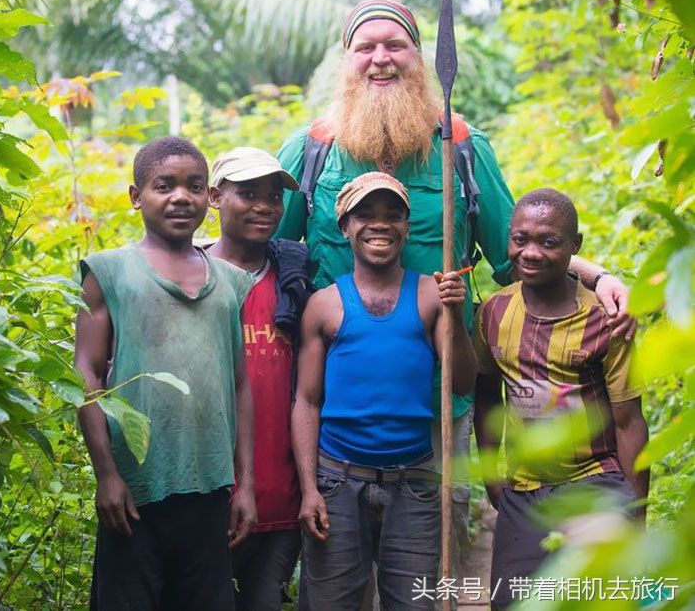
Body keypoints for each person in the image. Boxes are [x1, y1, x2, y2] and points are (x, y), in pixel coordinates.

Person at [276, 0, 636, 567]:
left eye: (394, 45)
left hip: (443, 384)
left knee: (431, 544)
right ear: (346, 60)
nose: (380, 59)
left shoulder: (462, 146)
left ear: (418, 58)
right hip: (338, 390)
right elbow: (271, 251)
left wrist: (599, 276)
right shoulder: (312, 150)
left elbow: (514, 252)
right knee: (340, 553)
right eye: (365, 47)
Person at [75, 137, 255, 610]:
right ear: (137, 196)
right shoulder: (110, 272)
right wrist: (106, 476)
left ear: (209, 197)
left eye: (195, 186)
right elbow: (87, 374)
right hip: (134, 492)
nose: (181, 197)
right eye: (164, 185)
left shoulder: (231, 282)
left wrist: (246, 484)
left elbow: (238, 385)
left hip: (209, 488)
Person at [292, 172, 478, 610]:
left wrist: (456, 315)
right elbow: (306, 401)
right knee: (330, 602)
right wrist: (308, 489)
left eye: (392, 215)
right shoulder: (324, 304)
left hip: (413, 483)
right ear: (345, 227)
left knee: (414, 603)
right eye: (365, 215)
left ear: (407, 228)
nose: (380, 224)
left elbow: (464, 381)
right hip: (337, 480)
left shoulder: (433, 294)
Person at [472, 188, 649, 610]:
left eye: (548, 242)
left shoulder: (606, 321)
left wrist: (636, 510)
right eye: (520, 240)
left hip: (596, 481)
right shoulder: (494, 313)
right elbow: (486, 395)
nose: (530, 253)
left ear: (575, 247)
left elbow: (628, 421)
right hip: (524, 488)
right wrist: (492, 473)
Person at [206, 146, 314, 610]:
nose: (265, 207)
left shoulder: (294, 282)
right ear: (215, 197)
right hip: (208, 499)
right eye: (248, 194)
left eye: (274, 197)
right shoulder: (192, 277)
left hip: (282, 498)